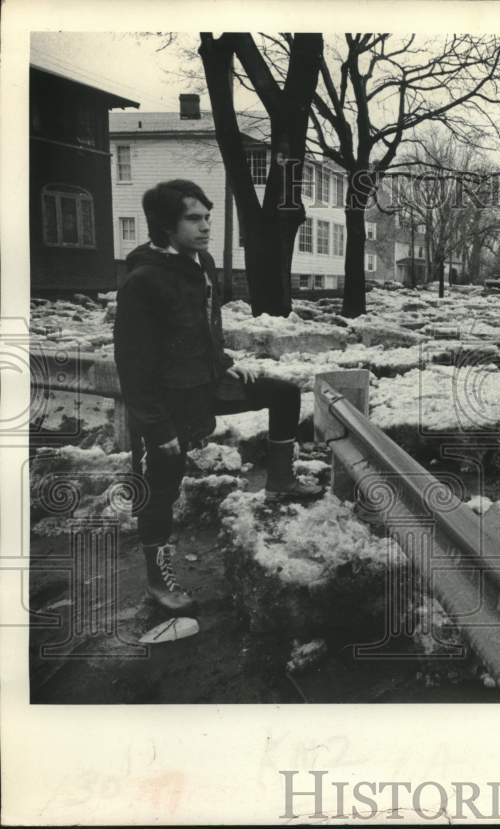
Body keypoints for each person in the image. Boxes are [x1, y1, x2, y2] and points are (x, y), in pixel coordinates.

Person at [114, 179, 321, 615]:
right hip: (169, 403)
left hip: (209, 382)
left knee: (284, 394)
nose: (206, 225)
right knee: (162, 489)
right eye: (194, 218)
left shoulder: (202, 262)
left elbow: (206, 323)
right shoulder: (144, 281)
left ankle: (281, 482)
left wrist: (224, 361)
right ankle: (157, 580)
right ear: (165, 226)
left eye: (208, 216)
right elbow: (132, 366)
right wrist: (156, 427)